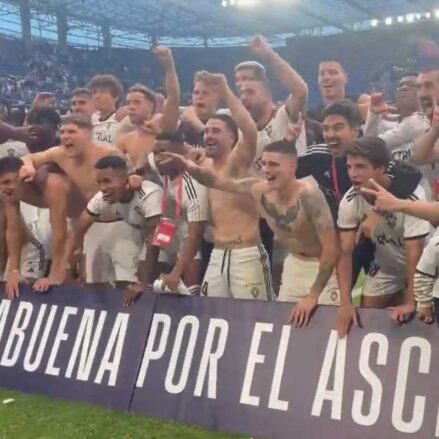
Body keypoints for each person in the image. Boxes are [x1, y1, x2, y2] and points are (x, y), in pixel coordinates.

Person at [164, 139, 338, 325]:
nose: (266, 170)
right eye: (264, 164)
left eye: (274, 164)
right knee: (286, 327)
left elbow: (331, 249)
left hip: (321, 267)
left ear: (292, 166)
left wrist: (313, 295)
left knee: (328, 327)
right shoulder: (258, 189)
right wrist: (187, 166)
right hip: (294, 264)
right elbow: (217, 181)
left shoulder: (309, 195)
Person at [182, 73, 274, 300]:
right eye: (206, 131)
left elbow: (250, 129)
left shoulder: (238, 162)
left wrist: (224, 88)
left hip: (247, 253)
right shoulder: (202, 163)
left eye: (216, 131)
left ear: (232, 138)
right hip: (217, 254)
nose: (209, 136)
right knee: (211, 314)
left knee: (255, 319)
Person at [18, 115, 137, 290]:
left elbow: (133, 177)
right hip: (86, 223)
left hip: (119, 222)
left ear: (89, 134)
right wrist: (28, 167)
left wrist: (135, 178)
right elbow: (30, 158)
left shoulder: (109, 154)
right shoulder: (59, 153)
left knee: (124, 281)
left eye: (72, 131)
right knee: (91, 282)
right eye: (63, 132)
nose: (66, 136)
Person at [337, 137, 430, 326]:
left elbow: (416, 253)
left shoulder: (412, 197)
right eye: (349, 167)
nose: (353, 174)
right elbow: (345, 252)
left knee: (422, 319)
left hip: (424, 269)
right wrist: (345, 302)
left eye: (360, 167)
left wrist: (411, 301)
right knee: (368, 317)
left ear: (380, 169)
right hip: (386, 266)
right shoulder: (350, 200)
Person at [61, 156, 162, 304]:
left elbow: (156, 237)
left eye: (107, 181)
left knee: (161, 286)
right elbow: (78, 229)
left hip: (174, 239)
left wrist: (143, 282)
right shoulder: (104, 197)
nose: (102, 188)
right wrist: (67, 267)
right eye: (99, 182)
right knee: (133, 284)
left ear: (125, 179)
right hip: (151, 238)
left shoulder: (149, 194)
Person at [146, 131, 209, 295]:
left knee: (189, 299)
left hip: (193, 246)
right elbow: (147, 161)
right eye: (155, 153)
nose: (158, 158)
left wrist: (177, 272)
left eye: (163, 153)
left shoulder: (194, 185)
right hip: (169, 238)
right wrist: (135, 175)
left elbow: (195, 236)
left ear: (180, 155)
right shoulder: (161, 166)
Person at [116, 46, 180, 171]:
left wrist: (169, 65)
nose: (131, 107)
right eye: (129, 103)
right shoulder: (124, 140)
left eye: (137, 102)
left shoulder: (163, 125)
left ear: (150, 105)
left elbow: (173, 97)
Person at [0, 157, 51, 299]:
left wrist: (14, 271)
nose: (5, 187)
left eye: (8, 182)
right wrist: (11, 271)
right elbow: (7, 234)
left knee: (21, 289)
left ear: (21, 175)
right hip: (15, 243)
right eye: (2, 183)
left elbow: (16, 231)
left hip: (34, 240)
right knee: (7, 284)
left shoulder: (44, 183)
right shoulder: (6, 194)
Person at [178, 71, 221, 148]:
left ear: (217, 98)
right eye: (196, 93)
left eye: (205, 93)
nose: (199, 97)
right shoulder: (181, 123)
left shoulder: (224, 125)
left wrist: (197, 124)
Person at [88, 74, 124, 145]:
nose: (97, 96)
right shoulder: (91, 120)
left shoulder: (123, 121)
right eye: (94, 93)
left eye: (103, 92)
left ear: (116, 96)